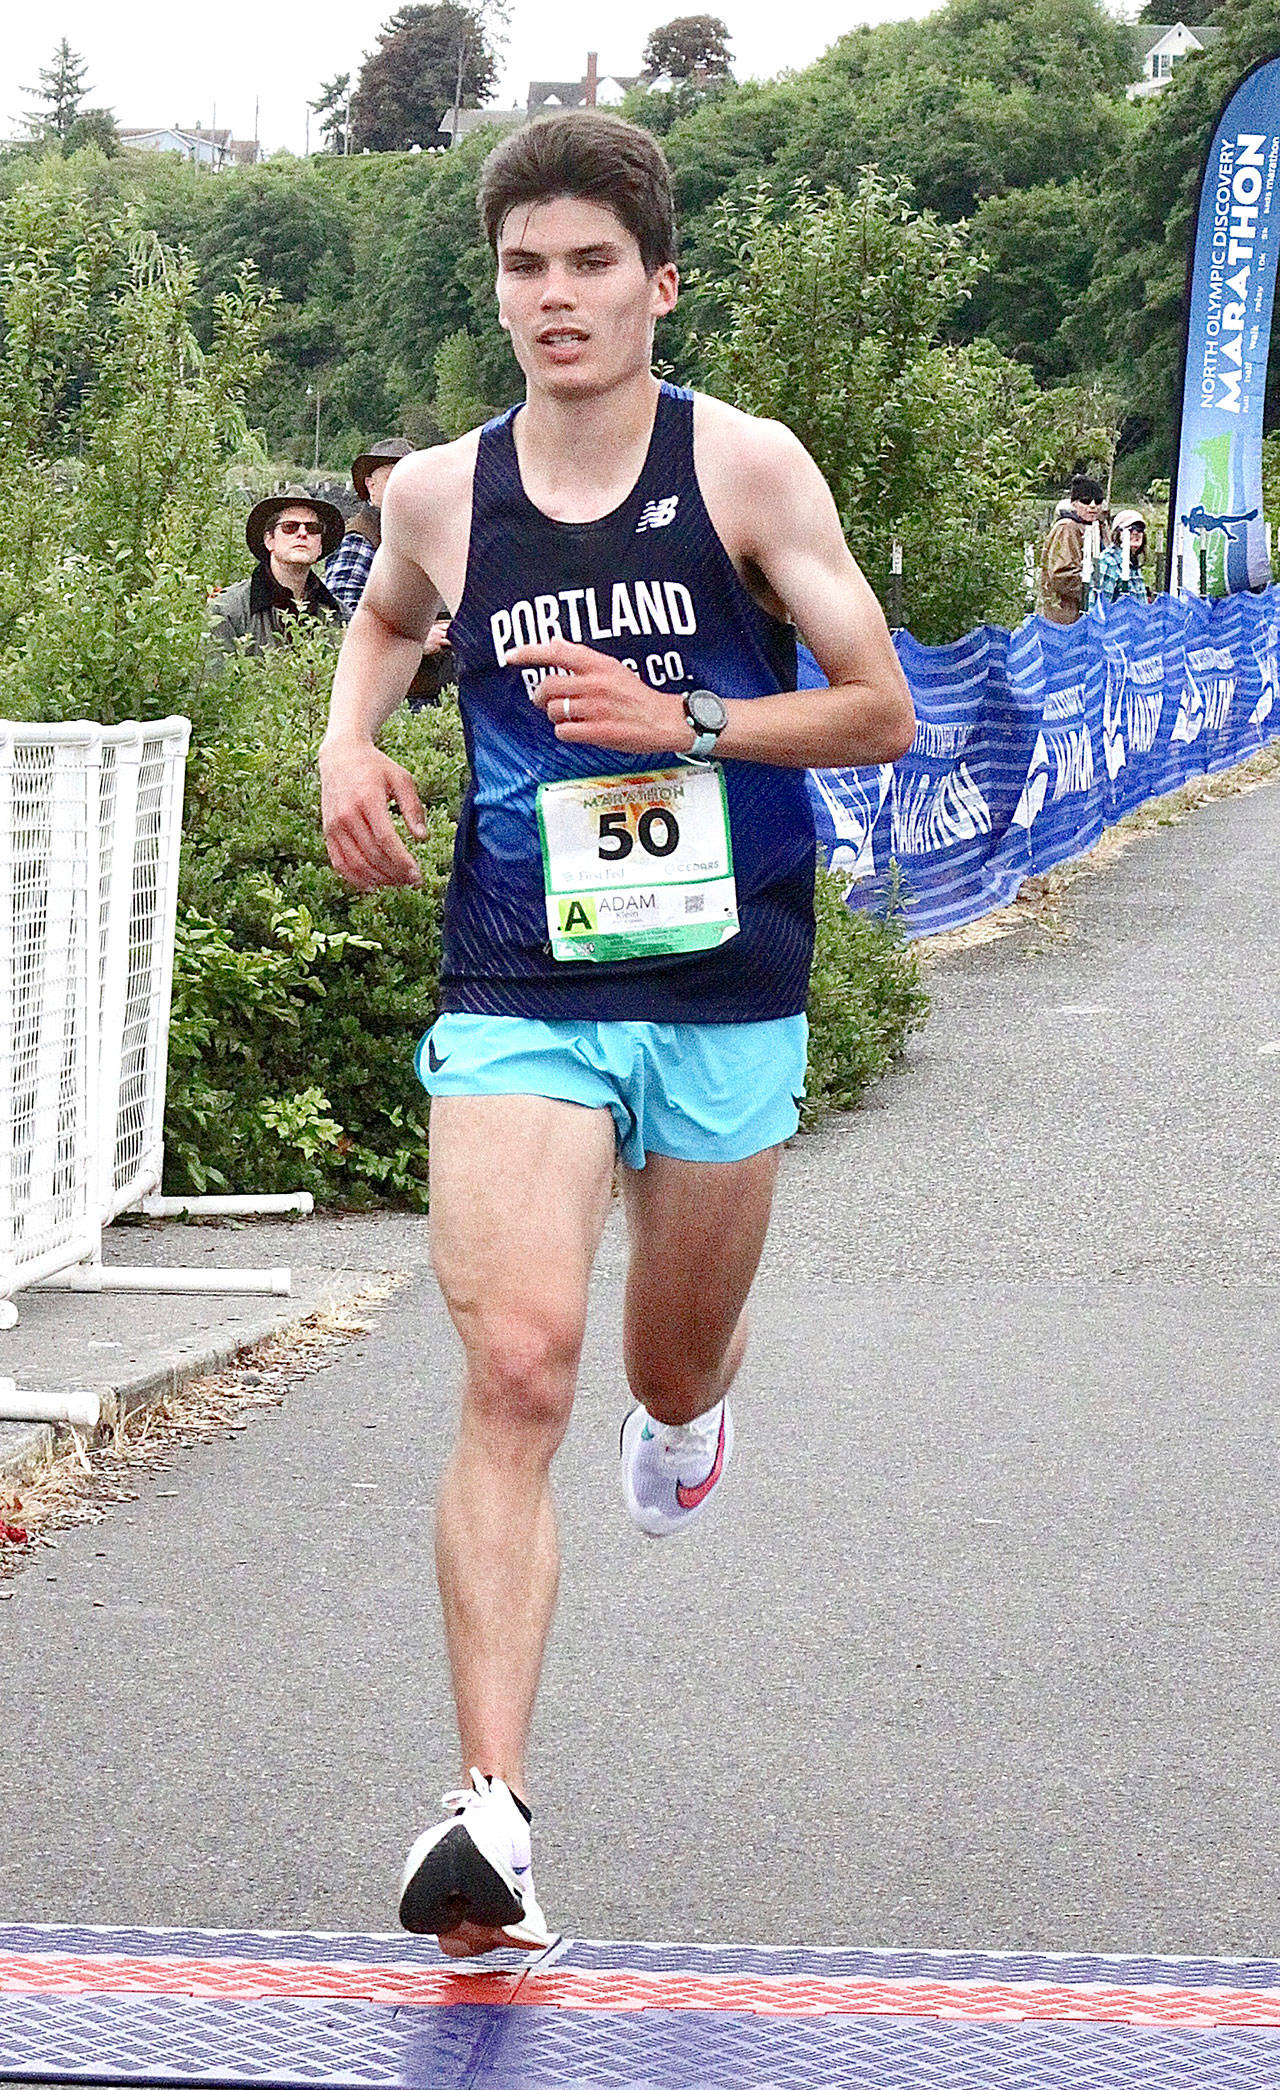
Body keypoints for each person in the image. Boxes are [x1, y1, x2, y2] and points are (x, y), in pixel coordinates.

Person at [318, 110, 916, 1958]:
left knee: (659, 1373)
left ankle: (700, 1403)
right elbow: (387, 620)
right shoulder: (434, 489)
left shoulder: (745, 471)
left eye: (592, 264)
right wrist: (349, 741)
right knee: (517, 1369)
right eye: (524, 266)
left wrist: (692, 727)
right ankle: (488, 1814)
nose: (556, 298)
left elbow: (881, 707)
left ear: (660, 283)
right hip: (520, 978)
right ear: (494, 288)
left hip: (726, 979)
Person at [327, 439, 456, 702]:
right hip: (398, 700)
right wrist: (418, 640)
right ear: (370, 486)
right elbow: (339, 621)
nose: (406, 485)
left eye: (412, 476)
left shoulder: (430, 534)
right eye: (394, 476)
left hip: (445, 690)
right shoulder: (360, 539)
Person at [208, 487, 348, 654]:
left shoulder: (342, 618)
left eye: (313, 528)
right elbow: (214, 678)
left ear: (320, 547)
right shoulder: (226, 611)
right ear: (269, 541)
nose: (303, 533)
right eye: (289, 527)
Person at [1040, 474, 1108, 626]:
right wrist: (1095, 590)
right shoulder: (1067, 528)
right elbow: (1062, 574)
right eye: (1085, 501)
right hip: (1064, 615)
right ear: (1074, 503)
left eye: (1097, 501)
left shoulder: (1099, 527)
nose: (1092, 506)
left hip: (1089, 614)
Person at [1093, 509, 1151, 606]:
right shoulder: (1109, 561)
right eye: (1131, 529)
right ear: (1118, 533)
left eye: (1140, 529)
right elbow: (1101, 607)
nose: (1136, 533)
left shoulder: (1133, 563)